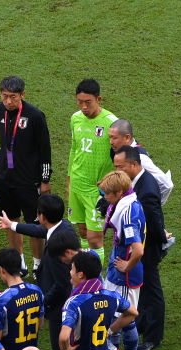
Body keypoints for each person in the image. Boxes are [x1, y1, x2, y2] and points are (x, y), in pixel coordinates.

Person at [0, 193, 77, 350]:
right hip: (60, 303)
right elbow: (42, 231)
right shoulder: (62, 227)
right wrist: (12, 225)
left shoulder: (57, 251)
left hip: (58, 309)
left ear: (42, 216)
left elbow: (62, 285)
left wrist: (42, 302)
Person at [0, 76, 53, 277]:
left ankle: (38, 265)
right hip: (4, 179)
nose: (8, 101)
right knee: (10, 220)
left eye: (13, 97)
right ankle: (19, 263)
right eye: (5, 96)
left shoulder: (35, 115)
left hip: (29, 181)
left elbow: (45, 150)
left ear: (22, 95)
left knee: (34, 223)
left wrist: (45, 180)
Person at [113, 145, 169, 350]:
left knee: (152, 291)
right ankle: (144, 323)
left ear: (134, 165)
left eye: (121, 167)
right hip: (142, 245)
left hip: (148, 248)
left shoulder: (146, 190)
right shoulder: (138, 182)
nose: (118, 171)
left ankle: (153, 337)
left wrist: (162, 237)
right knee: (144, 289)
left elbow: (154, 224)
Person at [99, 169, 145, 350]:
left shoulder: (127, 215)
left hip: (126, 275)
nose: (105, 198)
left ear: (119, 193)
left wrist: (127, 266)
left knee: (127, 317)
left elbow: (138, 250)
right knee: (113, 309)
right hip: (117, 265)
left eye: (107, 194)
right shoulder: (127, 203)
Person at [67, 79, 117, 260]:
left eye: (88, 102)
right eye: (80, 102)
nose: (83, 106)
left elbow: (121, 157)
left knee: (95, 239)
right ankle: (88, 276)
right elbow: (74, 150)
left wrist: (108, 187)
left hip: (97, 190)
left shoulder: (112, 123)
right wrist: (69, 181)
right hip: (77, 185)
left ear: (99, 99)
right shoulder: (75, 118)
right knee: (82, 232)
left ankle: (97, 282)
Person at [108, 119, 173, 204]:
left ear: (127, 137)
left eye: (114, 138)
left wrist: (155, 203)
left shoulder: (141, 158)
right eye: (110, 137)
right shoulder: (120, 150)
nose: (111, 142)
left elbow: (167, 185)